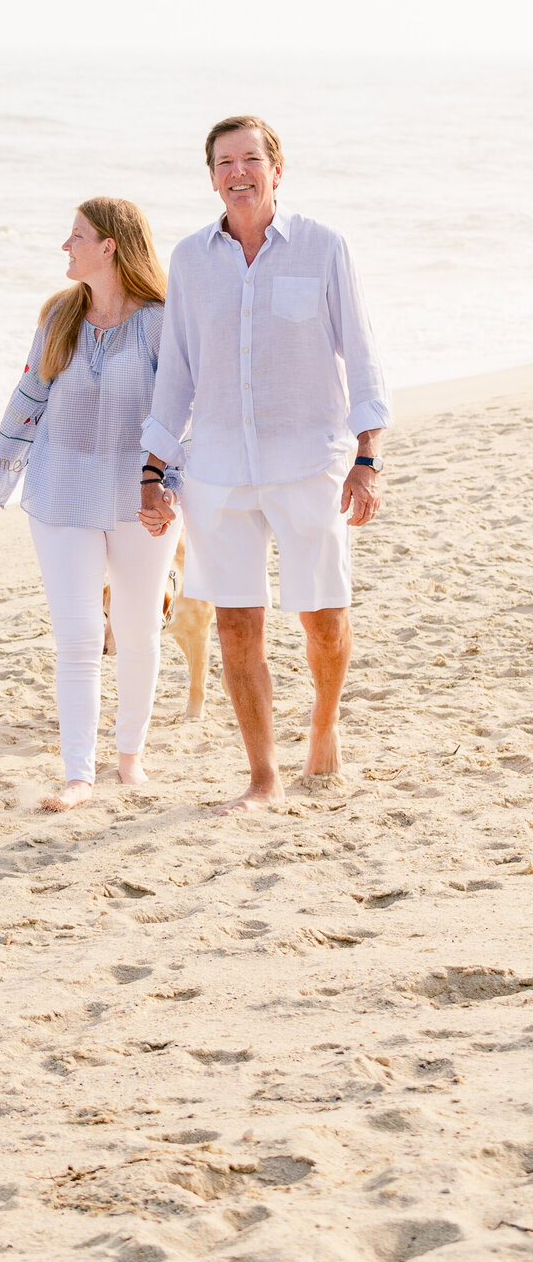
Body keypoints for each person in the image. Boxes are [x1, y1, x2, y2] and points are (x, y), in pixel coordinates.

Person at [140, 116, 389, 814]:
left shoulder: (324, 247)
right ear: (212, 175)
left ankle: (324, 722)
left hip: (311, 463)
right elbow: (176, 375)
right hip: (217, 469)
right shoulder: (190, 259)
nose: (239, 172)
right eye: (225, 162)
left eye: (252, 159)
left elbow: (363, 356)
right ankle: (263, 775)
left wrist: (368, 457)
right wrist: (153, 470)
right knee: (234, 624)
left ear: (278, 170)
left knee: (323, 619)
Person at [0, 199, 180, 812]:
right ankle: (79, 773)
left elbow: (183, 408)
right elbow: (27, 399)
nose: (65, 246)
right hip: (60, 492)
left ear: (109, 246)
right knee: (78, 634)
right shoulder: (60, 315)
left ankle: (130, 757)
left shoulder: (160, 321)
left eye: (76, 236)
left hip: (139, 497)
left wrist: (171, 487)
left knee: (136, 626)